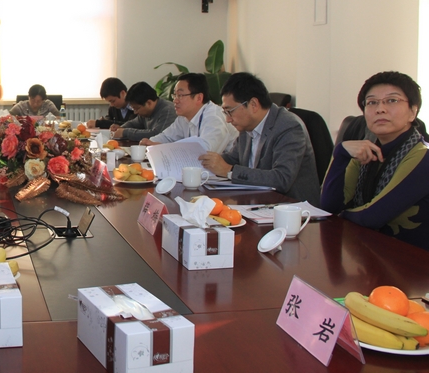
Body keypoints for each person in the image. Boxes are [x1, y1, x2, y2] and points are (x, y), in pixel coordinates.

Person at [321, 71, 429, 251]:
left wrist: (340, 215)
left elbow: (372, 217)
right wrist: (341, 153)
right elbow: (329, 205)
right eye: (372, 102)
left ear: (413, 112)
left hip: (413, 261)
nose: (380, 109)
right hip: (371, 251)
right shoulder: (367, 150)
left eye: (392, 100)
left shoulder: (423, 157)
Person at [199, 72, 320, 205]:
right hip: (256, 202)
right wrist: (204, 161)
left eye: (230, 111)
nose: (228, 119)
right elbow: (233, 158)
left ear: (253, 104)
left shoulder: (289, 127)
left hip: (293, 209)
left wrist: (229, 170)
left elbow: (281, 179)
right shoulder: (246, 127)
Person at [140, 73, 237, 152]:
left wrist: (161, 147)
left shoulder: (214, 117)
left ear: (199, 98)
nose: (175, 100)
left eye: (180, 95)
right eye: (175, 95)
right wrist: (149, 142)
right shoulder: (184, 117)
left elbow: (204, 152)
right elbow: (167, 137)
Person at [110, 82, 176, 141]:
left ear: (149, 103)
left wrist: (125, 132)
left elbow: (157, 135)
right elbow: (133, 123)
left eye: (137, 109)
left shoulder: (167, 111)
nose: (135, 112)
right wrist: (120, 128)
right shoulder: (145, 113)